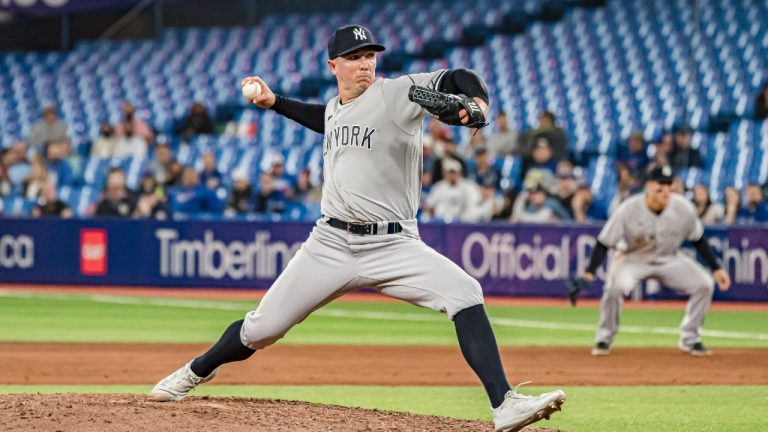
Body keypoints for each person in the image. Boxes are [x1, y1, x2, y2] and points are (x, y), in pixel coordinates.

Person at [148, 24, 565, 432]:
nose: (365, 64)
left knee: (465, 293)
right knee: (261, 328)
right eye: (354, 58)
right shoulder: (334, 107)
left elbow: (457, 77)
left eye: (369, 56)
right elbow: (325, 118)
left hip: (395, 243)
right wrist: (275, 102)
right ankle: (195, 370)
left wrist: (476, 103)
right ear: (334, 65)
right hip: (329, 243)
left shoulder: (397, 92)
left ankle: (504, 404)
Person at [580, 165, 731, 357]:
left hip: (669, 259)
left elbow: (698, 239)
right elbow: (604, 242)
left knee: (704, 284)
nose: (666, 189)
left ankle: (690, 339)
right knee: (614, 288)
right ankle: (604, 338)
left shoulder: (684, 208)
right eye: (661, 184)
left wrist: (716, 268)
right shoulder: (629, 208)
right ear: (649, 185)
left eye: (669, 184)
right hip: (632, 259)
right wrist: (589, 272)